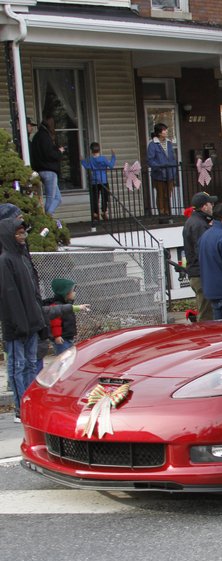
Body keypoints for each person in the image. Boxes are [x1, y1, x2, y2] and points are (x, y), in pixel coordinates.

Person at [0, 207, 80, 422]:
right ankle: (21, 408)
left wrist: (36, 319)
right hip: (18, 326)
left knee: (30, 364)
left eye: (23, 231)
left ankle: (29, 405)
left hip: (31, 321)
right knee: (18, 366)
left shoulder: (21, 255)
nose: (22, 235)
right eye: (18, 229)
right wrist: (21, 324)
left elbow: (31, 292)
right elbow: (10, 297)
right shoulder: (6, 259)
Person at [182, 192, 217, 322]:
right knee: (206, 313)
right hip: (201, 274)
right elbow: (202, 251)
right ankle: (204, 336)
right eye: (210, 203)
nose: (212, 206)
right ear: (204, 207)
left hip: (197, 272)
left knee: (206, 309)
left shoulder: (195, 221)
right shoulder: (199, 225)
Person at [31, 116, 65, 216]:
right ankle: (47, 218)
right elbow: (49, 154)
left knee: (58, 198)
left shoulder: (36, 137)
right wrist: (59, 152)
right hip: (49, 171)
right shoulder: (45, 137)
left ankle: (48, 215)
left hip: (39, 170)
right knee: (51, 199)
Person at [146, 123, 177, 221]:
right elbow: (150, 160)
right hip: (159, 174)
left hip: (170, 173)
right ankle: (162, 213)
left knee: (168, 194)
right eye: (164, 130)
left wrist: (173, 168)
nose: (166, 131)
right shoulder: (152, 144)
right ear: (159, 132)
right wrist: (159, 167)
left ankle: (168, 212)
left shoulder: (169, 143)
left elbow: (172, 157)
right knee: (160, 194)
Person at [81, 142, 116, 226]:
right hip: (103, 181)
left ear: (91, 150)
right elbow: (111, 165)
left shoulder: (90, 159)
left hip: (94, 181)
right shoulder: (103, 159)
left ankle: (95, 213)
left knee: (95, 198)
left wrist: (82, 160)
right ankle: (104, 211)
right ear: (99, 149)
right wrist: (113, 156)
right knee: (105, 197)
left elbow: (87, 166)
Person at [43, 278, 79, 355]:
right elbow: (55, 323)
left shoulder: (67, 305)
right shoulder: (57, 307)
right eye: (73, 291)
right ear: (65, 293)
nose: (74, 293)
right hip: (62, 339)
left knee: (69, 358)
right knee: (63, 358)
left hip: (68, 338)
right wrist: (57, 336)